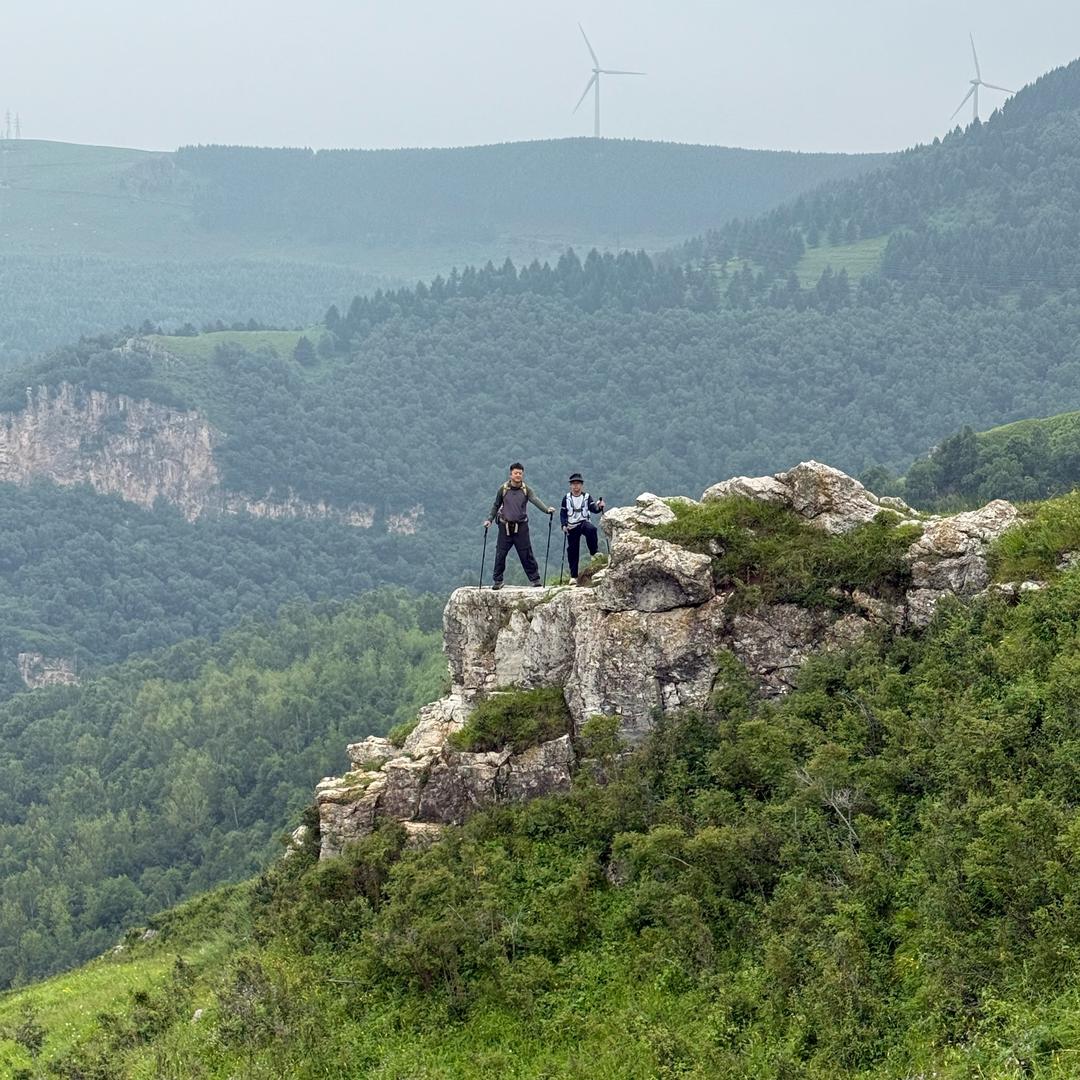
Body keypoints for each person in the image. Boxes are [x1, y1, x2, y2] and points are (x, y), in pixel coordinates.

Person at [484, 462, 555, 589]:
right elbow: (496, 505)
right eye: (516, 473)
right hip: (504, 527)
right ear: (510, 474)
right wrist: (490, 519)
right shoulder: (503, 489)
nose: (518, 475)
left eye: (520, 473)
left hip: (521, 527)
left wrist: (546, 510)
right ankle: (498, 581)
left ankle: (535, 580)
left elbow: (535, 500)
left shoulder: (526, 490)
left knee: (526, 553)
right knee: (500, 554)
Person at [560, 472, 605, 584]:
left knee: (592, 529)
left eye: (578, 483)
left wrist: (599, 507)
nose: (576, 486)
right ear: (570, 485)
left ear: (581, 485)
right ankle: (573, 576)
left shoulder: (586, 497)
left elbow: (593, 508)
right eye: (574, 484)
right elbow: (563, 513)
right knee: (573, 550)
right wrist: (563, 525)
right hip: (571, 526)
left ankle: (594, 552)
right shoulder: (566, 498)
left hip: (584, 522)